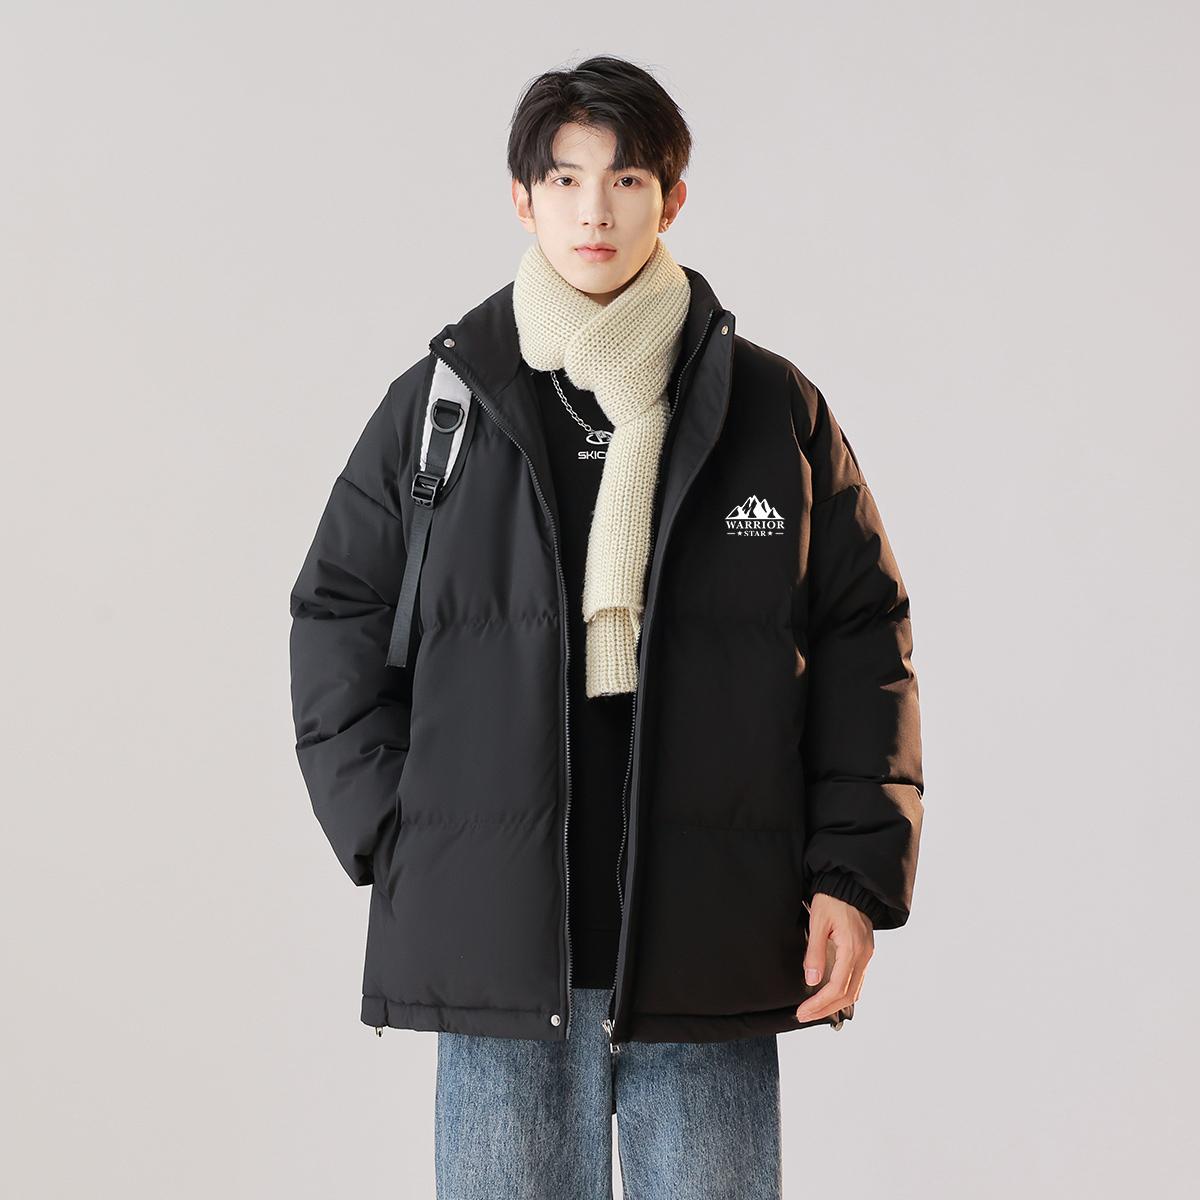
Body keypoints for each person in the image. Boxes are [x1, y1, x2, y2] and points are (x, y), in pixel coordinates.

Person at [289, 54, 924, 1199]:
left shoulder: (769, 409)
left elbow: (861, 639)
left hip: (713, 947)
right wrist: (398, 834)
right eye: (566, 178)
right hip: (497, 953)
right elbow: (335, 612)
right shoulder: (443, 406)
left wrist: (851, 875)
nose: (595, 210)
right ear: (521, 197)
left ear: (671, 200)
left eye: (626, 179)